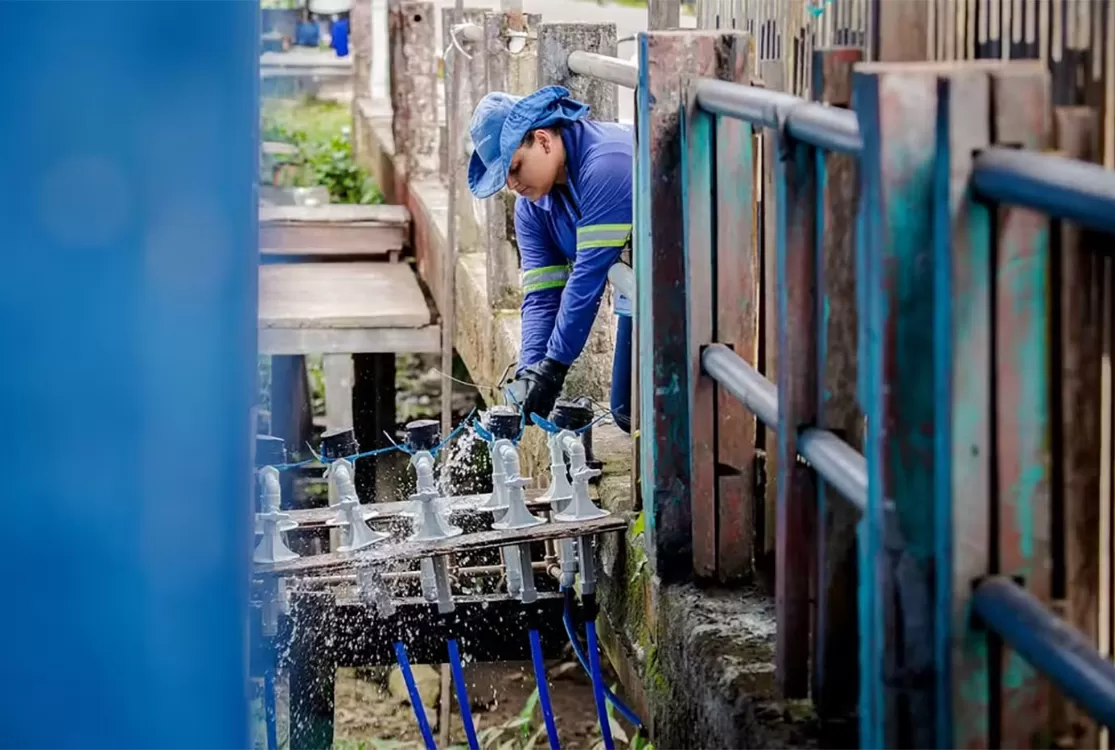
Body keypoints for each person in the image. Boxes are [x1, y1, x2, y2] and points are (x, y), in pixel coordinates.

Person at [466, 85, 633, 432]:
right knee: (626, 411)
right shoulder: (532, 208)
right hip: (640, 291)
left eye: (515, 168)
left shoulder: (609, 164)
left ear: (542, 140)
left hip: (698, 275)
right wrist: (530, 371)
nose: (512, 185)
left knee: (650, 412)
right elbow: (543, 296)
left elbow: (587, 278)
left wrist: (553, 368)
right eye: (504, 178)